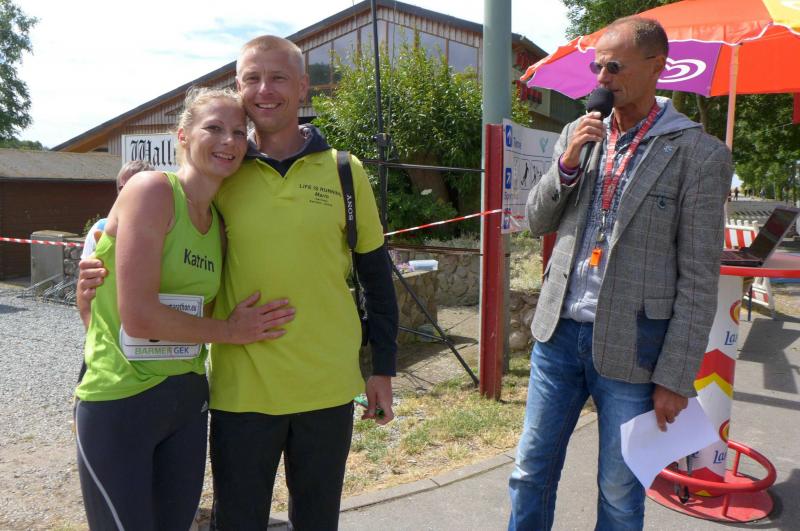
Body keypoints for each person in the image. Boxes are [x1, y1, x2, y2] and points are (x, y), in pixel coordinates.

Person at [78, 35, 398, 530]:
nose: (265, 90)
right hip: (240, 392)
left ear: (303, 87)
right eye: (253, 78)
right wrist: (96, 268)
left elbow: (376, 275)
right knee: (237, 522)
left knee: (318, 521)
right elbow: (151, 231)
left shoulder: (343, 171)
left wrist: (383, 369)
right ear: (239, 87)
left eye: (278, 78)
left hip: (328, 388)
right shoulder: (223, 172)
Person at [508, 17, 732, 530]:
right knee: (529, 471)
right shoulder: (578, 133)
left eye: (614, 67)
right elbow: (537, 220)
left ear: (658, 67)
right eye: (597, 67)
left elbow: (699, 278)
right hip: (557, 335)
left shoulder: (699, 154)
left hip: (635, 346)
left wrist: (675, 377)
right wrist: (567, 163)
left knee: (619, 491)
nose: (602, 78)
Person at [74, 87, 296, 530]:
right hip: (121, 401)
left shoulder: (218, 227)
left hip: (186, 401)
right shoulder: (152, 190)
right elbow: (138, 317)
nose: (229, 141)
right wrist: (233, 331)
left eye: (239, 132)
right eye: (214, 128)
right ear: (183, 135)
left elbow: (190, 320)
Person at [81, 160, 154, 259]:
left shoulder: (167, 231)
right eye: (122, 188)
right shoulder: (100, 228)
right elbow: (84, 265)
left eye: (135, 187)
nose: (126, 192)